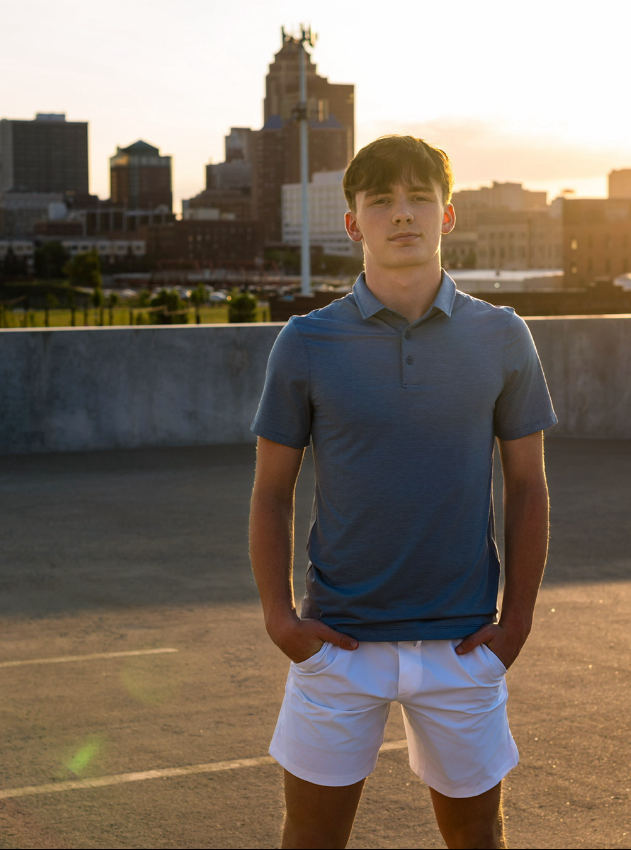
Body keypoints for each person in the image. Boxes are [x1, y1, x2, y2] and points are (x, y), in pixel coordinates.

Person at [248, 135, 556, 849]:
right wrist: (280, 621)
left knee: (479, 838)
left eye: (420, 196)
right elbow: (270, 493)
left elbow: (527, 486)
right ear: (352, 223)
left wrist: (516, 627)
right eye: (381, 200)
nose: (403, 214)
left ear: (448, 215)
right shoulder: (305, 342)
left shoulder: (503, 336)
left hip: (463, 642)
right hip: (339, 644)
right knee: (310, 840)